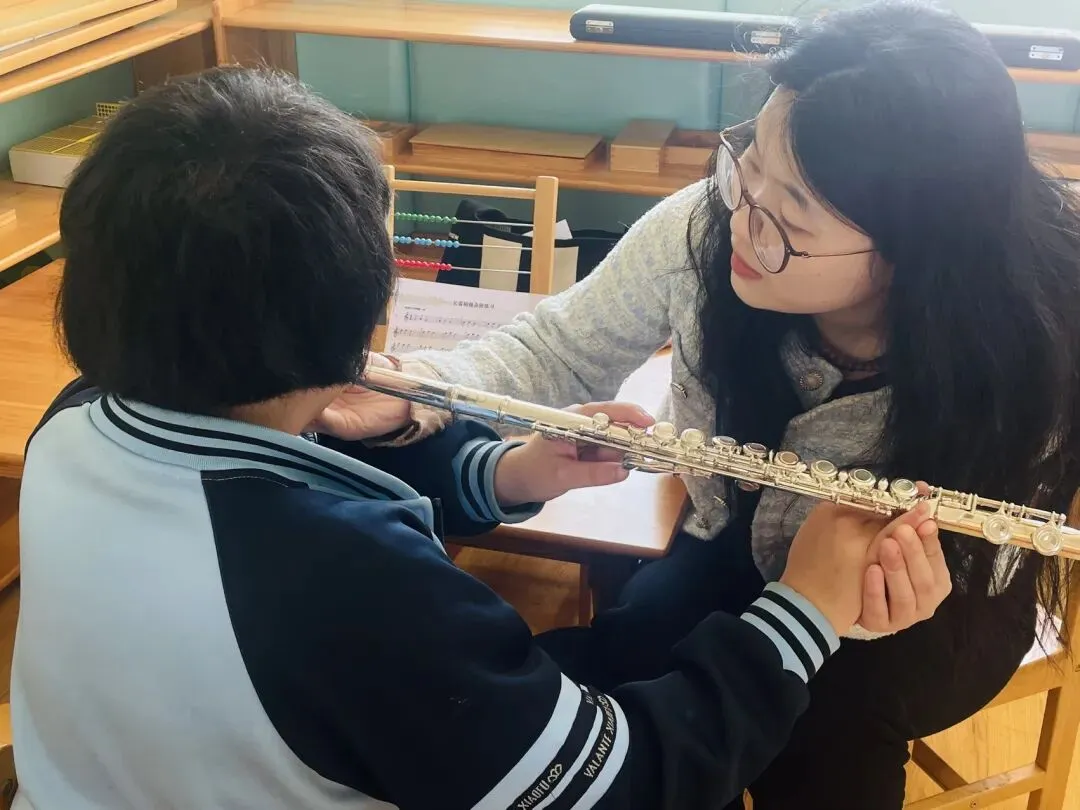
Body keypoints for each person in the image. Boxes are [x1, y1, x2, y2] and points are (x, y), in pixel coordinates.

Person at [11, 66, 950, 810]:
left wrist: (506, 473)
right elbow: (620, 786)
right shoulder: (355, 588)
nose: (740, 212)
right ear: (361, 310)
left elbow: (292, 489)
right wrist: (806, 608)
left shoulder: (75, 420)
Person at [313, 2, 1080, 808]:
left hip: (931, 604)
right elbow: (555, 348)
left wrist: (869, 595)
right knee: (619, 680)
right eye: (749, 165)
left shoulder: (1039, 330)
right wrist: (416, 391)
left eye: (788, 216)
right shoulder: (708, 225)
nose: (742, 222)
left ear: (916, 251)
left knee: (826, 726)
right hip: (727, 543)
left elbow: (995, 549)